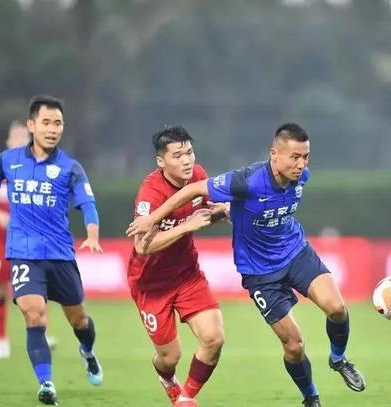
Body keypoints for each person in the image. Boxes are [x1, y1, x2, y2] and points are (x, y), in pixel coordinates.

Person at [127, 123, 366, 407]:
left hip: (287, 253)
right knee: (291, 345)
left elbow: (214, 206)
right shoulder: (243, 181)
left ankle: (338, 360)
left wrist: (225, 212)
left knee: (335, 308)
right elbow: (147, 241)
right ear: (274, 154)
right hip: (244, 274)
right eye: (295, 157)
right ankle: (310, 396)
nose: (301, 164)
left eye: (305, 157)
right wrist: (159, 221)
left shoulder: (301, 177)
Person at [0, 95, 104, 405]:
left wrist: (92, 234)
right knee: (34, 314)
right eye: (46, 122)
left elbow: (87, 203)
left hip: (60, 254)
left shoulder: (70, 167)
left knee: (79, 320)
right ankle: (46, 383)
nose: (52, 129)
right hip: (23, 252)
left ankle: (88, 351)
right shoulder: (8, 161)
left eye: (57, 123)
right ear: (31, 125)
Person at [128, 125, 227, 407]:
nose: (187, 161)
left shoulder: (198, 175)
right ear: (161, 161)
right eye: (178, 155)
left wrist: (224, 212)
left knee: (214, 339)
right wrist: (186, 226)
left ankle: (185, 398)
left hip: (187, 275)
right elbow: (142, 246)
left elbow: (209, 212)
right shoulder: (150, 192)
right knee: (170, 357)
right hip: (151, 284)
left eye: (190, 153)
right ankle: (168, 380)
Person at [0, 120, 30, 358]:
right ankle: (1, 339)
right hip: (0, 240)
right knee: (0, 289)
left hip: (26, 240)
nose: (20, 141)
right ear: (8, 141)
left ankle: (40, 334)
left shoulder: (35, 167)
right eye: (16, 137)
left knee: (34, 287)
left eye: (24, 138)